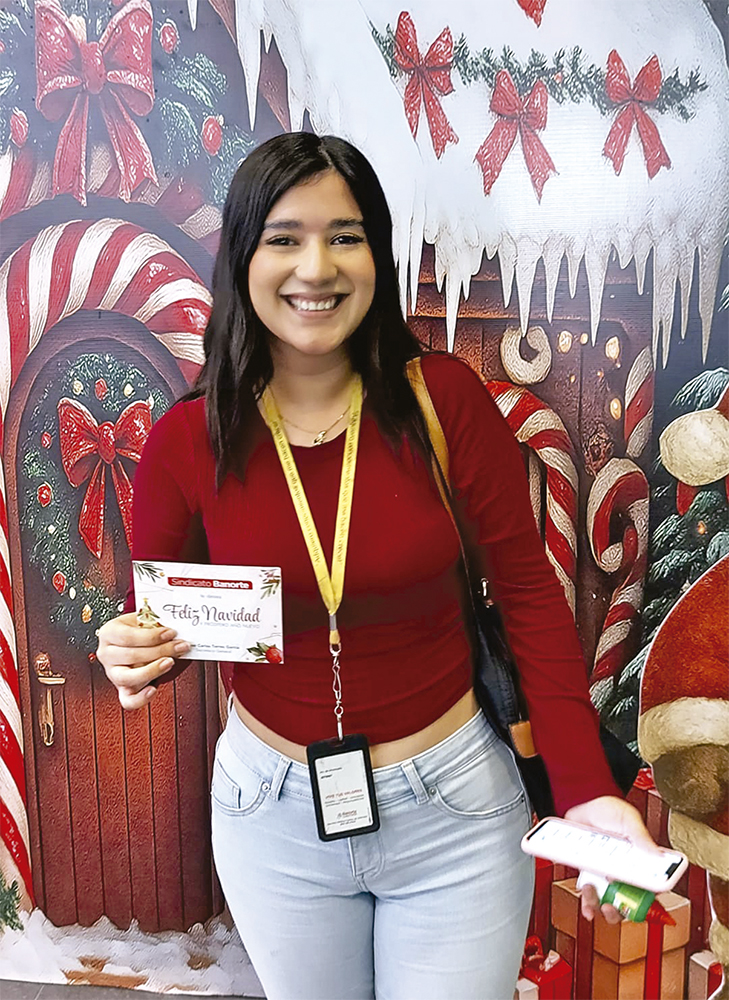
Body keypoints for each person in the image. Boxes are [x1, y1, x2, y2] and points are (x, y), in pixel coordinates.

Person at [97, 132, 656, 1000]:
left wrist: (585, 790)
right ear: (242, 257)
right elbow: (170, 620)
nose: (315, 266)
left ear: (375, 254)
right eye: (284, 238)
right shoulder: (184, 442)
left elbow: (527, 598)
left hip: (453, 811)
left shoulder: (444, 403)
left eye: (345, 236)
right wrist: (136, 653)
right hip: (272, 816)